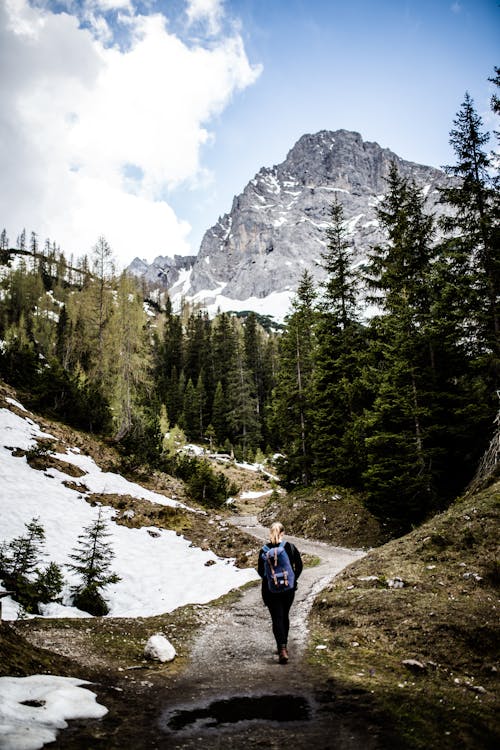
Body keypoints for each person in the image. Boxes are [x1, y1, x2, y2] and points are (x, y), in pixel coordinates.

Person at [258, 521, 303, 664]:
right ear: (283, 533)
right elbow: (300, 566)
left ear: (270, 533)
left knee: (276, 617)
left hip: (270, 590)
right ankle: (284, 646)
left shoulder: (264, 550)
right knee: (285, 616)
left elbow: (261, 572)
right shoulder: (290, 547)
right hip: (288, 589)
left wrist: (271, 579)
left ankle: (281, 647)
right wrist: (292, 579)